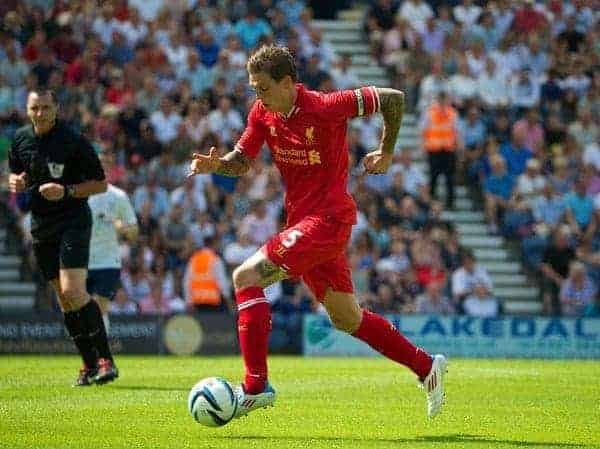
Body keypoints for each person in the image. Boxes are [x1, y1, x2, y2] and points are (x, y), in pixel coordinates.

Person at [188, 45, 447, 420]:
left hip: (328, 220)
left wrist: (386, 152)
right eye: (253, 88)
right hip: (303, 225)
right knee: (346, 318)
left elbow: (393, 99)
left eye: (262, 87)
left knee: (245, 277)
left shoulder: (325, 106)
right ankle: (426, 367)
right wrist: (218, 165)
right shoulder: (262, 112)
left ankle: (256, 387)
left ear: (288, 83)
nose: (257, 95)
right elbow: (241, 161)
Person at [8, 90, 116, 386]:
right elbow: (16, 174)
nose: (40, 113)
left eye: (45, 107)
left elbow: (101, 184)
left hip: (73, 220)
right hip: (41, 224)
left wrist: (66, 191)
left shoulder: (73, 140)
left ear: (56, 108)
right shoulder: (20, 139)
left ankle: (106, 360)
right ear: (27, 109)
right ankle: (88, 364)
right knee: (64, 300)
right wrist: (15, 182)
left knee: (73, 291)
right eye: (34, 108)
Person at [87, 150, 139, 334]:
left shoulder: (118, 197)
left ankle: (101, 355)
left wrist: (121, 227)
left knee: (100, 305)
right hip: (82, 261)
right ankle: (91, 352)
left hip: (108, 260)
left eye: (105, 165)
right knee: (83, 309)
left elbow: (134, 232)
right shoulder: (81, 195)